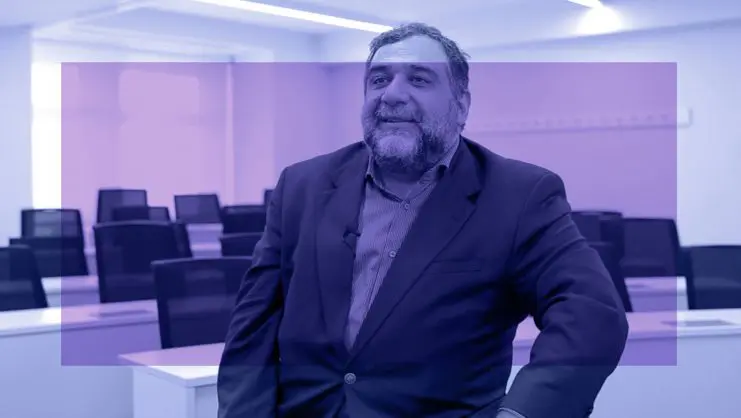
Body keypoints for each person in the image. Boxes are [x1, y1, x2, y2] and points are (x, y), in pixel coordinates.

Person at [217, 22, 629, 418]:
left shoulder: (519, 195)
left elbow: (591, 314)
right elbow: (253, 330)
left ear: (461, 105)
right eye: (379, 80)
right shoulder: (302, 185)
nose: (392, 95)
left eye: (418, 79)